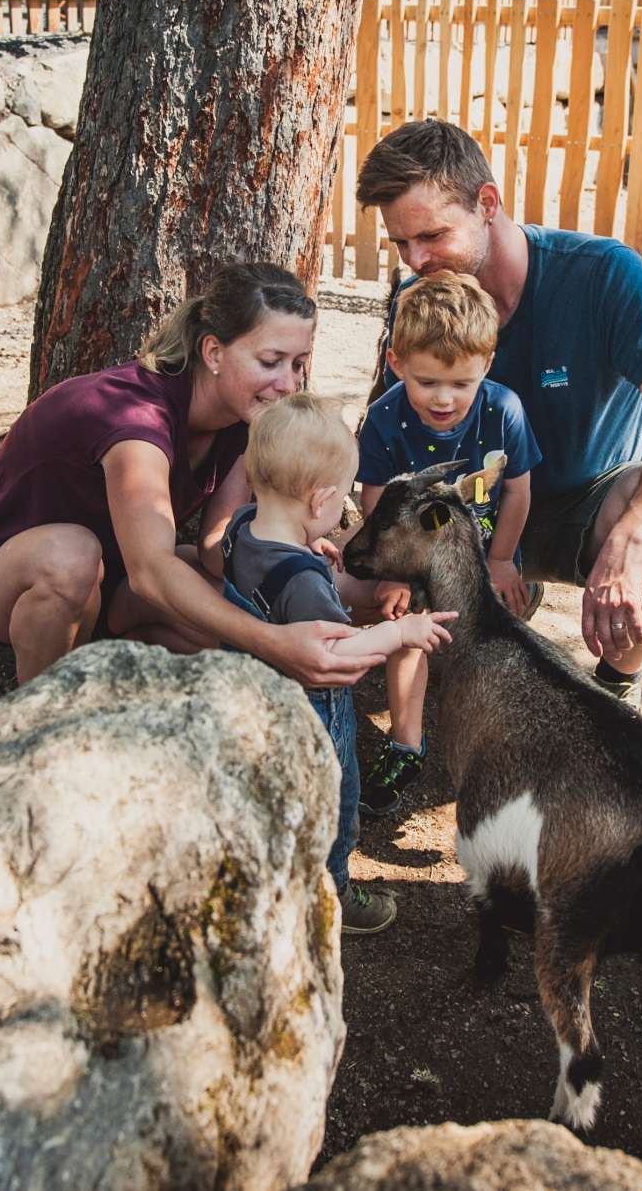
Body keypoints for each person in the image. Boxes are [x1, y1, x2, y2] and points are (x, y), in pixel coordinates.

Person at [355, 119, 642, 709]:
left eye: (431, 235)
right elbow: (389, 436)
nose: (416, 259)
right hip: (480, 505)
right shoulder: (419, 301)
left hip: (591, 500)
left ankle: (618, 685)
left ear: (487, 203)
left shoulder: (603, 274)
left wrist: (631, 540)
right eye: (401, 243)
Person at [0, 261, 378, 692]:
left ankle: (114, 667)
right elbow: (151, 572)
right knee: (72, 557)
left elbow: (214, 548)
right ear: (213, 353)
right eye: (270, 361)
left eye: (297, 364)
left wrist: (287, 545)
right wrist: (273, 641)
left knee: (247, 610)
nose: (288, 384)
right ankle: (49, 716)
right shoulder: (136, 419)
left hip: (114, 578)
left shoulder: (248, 419)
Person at [224, 393, 455, 934]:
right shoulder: (304, 585)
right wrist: (399, 632)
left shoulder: (242, 526)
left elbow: (268, 571)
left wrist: (307, 546)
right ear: (321, 500)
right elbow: (332, 657)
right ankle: (330, 894)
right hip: (314, 717)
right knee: (333, 805)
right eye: (342, 498)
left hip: (254, 699)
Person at [353, 271, 541, 815]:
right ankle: (405, 744)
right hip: (414, 561)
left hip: (479, 558)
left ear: (487, 364)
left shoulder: (503, 409)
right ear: (396, 363)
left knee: (492, 645)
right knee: (407, 629)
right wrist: (394, 574)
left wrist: (501, 560)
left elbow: (518, 491)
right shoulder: (386, 418)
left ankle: (496, 750)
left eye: (461, 383)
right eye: (427, 381)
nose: (443, 398)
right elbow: (377, 502)